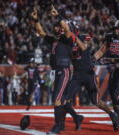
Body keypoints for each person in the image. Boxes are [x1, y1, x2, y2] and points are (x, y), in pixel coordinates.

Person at [31, 6, 86, 134]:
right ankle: (76, 118)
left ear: (61, 27)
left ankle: (58, 126)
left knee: (57, 99)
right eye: (54, 26)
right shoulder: (54, 39)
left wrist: (58, 16)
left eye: (56, 26)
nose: (54, 27)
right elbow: (41, 32)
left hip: (65, 70)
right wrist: (36, 20)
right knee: (62, 100)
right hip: (58, 71)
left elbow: (67, 29)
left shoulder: (67, 37)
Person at [93, 20, 119, 131]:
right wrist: (93, 58)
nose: (116, 30)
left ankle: (118, 117)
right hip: (112, 68)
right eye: (115, 28)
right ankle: (116, 119)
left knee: (116, 94)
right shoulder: (110, 37)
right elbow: (102, 50)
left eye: (118, 28)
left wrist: (115, 60)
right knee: (113, 95)